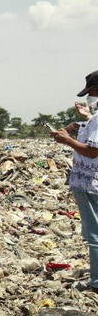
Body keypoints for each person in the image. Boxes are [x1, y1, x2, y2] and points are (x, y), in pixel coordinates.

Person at [50, 70, 98, 291]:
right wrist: (87, 118)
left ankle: (96, 282)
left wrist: (67, 140)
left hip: (91, 183)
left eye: (93, 91)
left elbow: (93, 151)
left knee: (95, 235)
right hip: (91, 183)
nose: (92, 95)